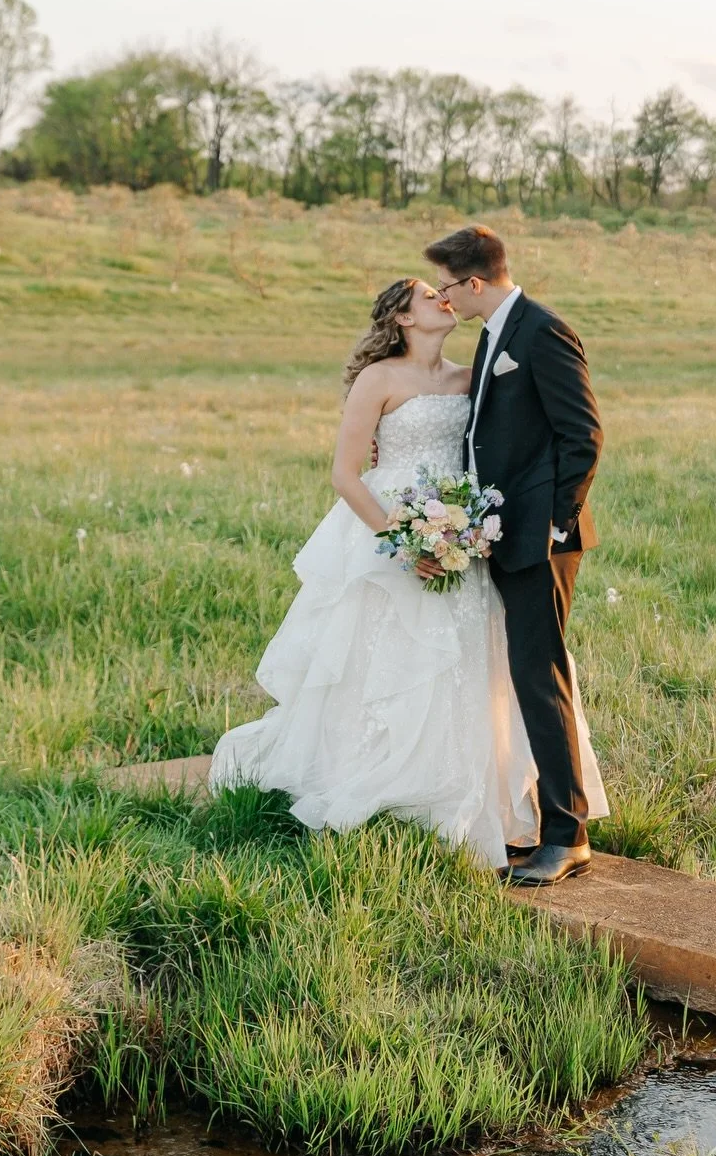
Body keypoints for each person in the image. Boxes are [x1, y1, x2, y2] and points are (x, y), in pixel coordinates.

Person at [209, 274, 607, 871]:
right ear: (401, 317)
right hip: (393, 529)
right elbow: (345, 474)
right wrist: (402, 542)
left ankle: (485, 799)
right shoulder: (379, 379)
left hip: (465, 533)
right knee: (393, 661)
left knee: (475, 660)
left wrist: (468, 526)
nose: (443, 298)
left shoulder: (472, 375)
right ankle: (389, 786)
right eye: (427, 295)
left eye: (445, 289)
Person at [423, 225, 603, 887]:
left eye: (447, 286)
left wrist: (555, 524)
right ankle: (535, 816)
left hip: (541, 540)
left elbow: (583, 434)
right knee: (522, 675)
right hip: (502, 534)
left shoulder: (542, 332)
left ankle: (567, 836)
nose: (444, 298)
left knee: (539, 676)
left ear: (475, 282)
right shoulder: (491, 334)